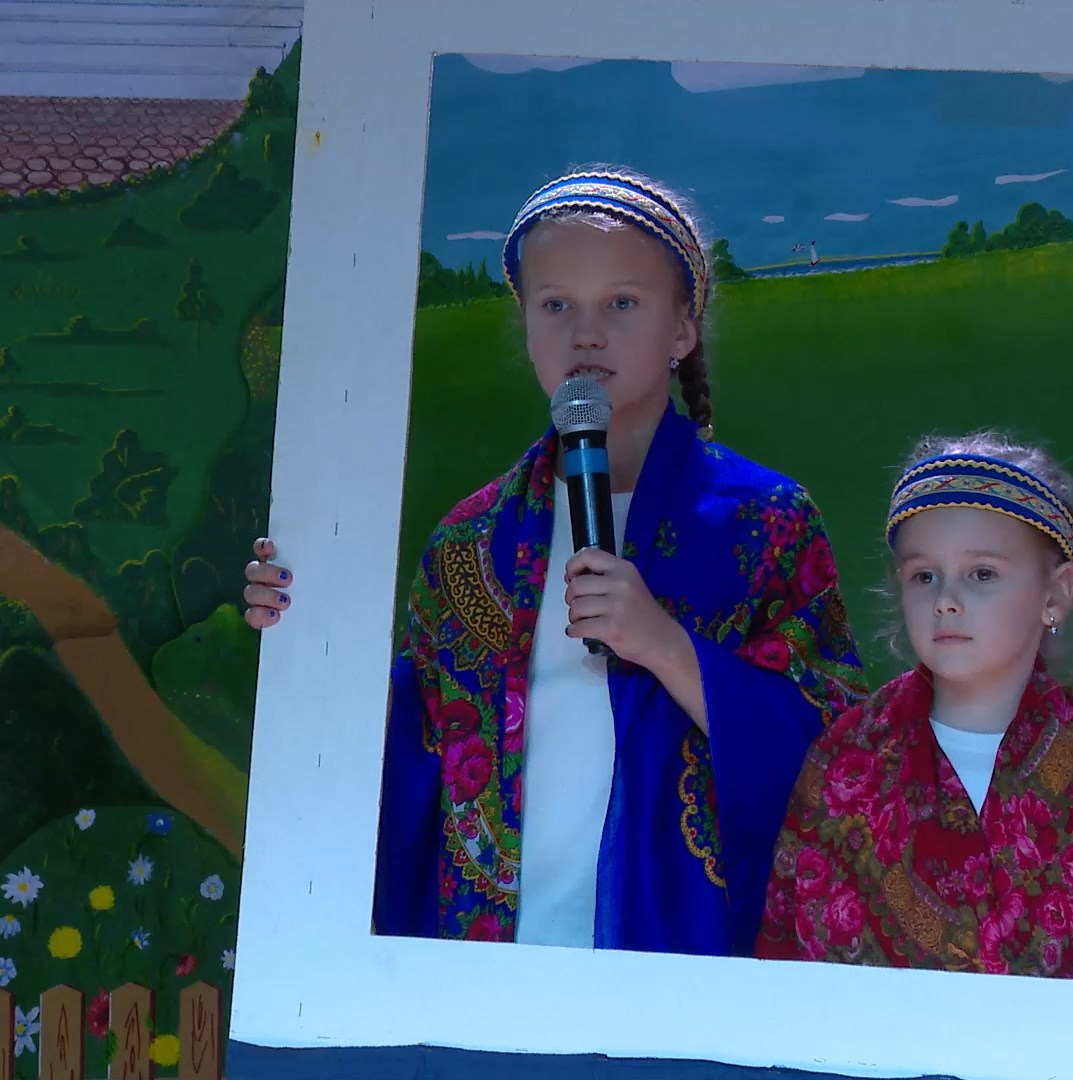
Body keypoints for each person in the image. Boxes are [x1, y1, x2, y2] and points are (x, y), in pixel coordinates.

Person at [242, 166, 867, 957]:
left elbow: (840, 760)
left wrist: (665, 646)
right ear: (528, 327)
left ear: (682, 330)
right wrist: (309, 628)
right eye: (556, 305)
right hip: (489, 970)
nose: (586, 332)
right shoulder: (469, 543)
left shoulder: (766, 524)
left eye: (622, 303)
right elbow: (401, 753)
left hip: (677, 971)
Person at [754, 434, 1073, 985]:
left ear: (1056, 594)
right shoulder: (844, 764)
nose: (945, 600)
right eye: (924, 576)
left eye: (981, 574)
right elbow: (787, 971)